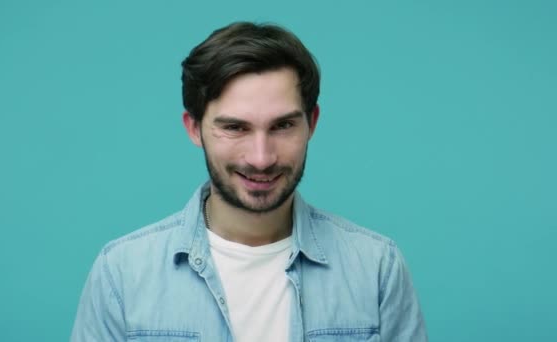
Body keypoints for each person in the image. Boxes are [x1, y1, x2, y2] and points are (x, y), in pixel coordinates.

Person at [71, 21, 427, 342]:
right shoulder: (121, 273)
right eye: (235, 127)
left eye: (283, 125)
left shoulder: (377, 267)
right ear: (194, 128)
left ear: (312, 124)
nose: (261, 157)